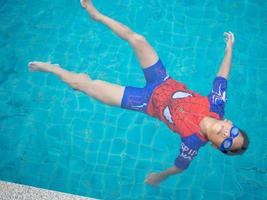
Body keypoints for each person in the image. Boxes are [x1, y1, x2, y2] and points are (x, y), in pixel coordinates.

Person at [28, 0, 249, 186]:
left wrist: (161, 176)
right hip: (161, 79)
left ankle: (52, 68)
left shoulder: (192, 143)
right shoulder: (216, 105)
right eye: (233, 132)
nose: (226, 135)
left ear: (216, 146)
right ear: (230, 122)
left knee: (87, 86)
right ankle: (97, 15)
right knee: (137, 39)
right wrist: (229, 48)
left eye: (227, 144)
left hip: (143, 102)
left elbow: (180, 166)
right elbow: (223, 76)